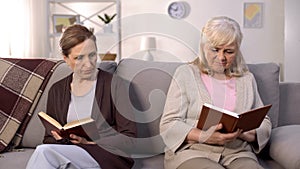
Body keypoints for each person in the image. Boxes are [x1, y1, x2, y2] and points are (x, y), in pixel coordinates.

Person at [159, 16, 272, 169]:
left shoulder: (246, 79)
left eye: (229, 51)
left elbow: (263, 120)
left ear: (237, 50)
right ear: (203, 47)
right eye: (215, 50)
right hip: (193, 151)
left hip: (237, 152)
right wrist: (204, 136)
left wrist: (245, 133)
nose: (221, 58)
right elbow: (168, 124)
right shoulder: (186, 74)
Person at [26, 24, 136, 169]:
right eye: (79, 58)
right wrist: (63, 140)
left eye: (92, 55)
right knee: (50, 154)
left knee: (44, 153)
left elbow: (131, 139)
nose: (88, 64)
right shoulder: (57, 90)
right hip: (71, 154)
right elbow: (48, 138)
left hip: (104, 155)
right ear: (65, 58)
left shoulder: (117, 86)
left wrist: (91, 142)